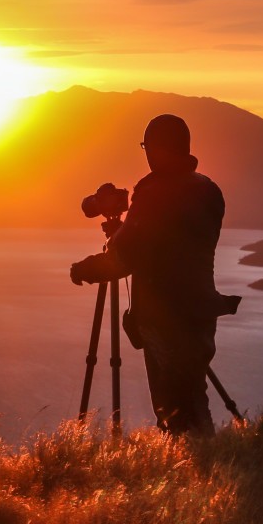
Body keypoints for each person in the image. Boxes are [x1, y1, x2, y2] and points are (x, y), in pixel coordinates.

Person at [70, 114, 229, 435]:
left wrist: (86, 268)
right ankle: (210, 464)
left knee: (175, 409)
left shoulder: (154, 191)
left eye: (147, 146)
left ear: (157, 148)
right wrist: (128, 230)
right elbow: (172, 245)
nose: (146, 153)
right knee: (193, 393)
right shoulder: (208, 189)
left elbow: (124, 258)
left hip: (165, 318)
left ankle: (198, 469)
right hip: (200, 310)